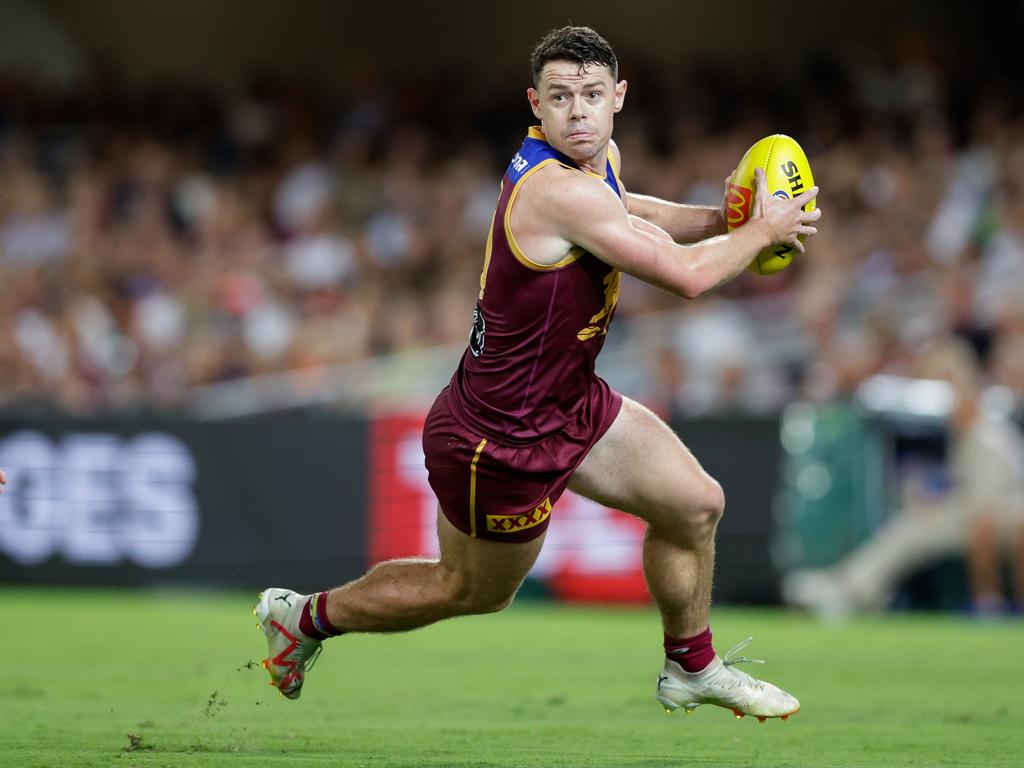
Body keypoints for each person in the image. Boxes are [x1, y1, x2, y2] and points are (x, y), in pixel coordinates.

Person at [255, 26, 819, 720]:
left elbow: (632, 211)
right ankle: (304, 619)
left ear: (618, 97)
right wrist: (761, 232)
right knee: (470, 590)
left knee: (694, 504)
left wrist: (719, 216)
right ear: (536, 104)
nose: (577, 111)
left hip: (571, 403)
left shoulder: (596, 162)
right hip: (499, 437)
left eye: (590, 95)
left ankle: (691, 666)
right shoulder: (555, 190)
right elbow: (685, 277)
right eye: (560, 98)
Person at [782, 337, 1024, 617]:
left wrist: (937, 503)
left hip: (996, 520)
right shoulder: (966, 434)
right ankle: (850, 587)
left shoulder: (988, 435)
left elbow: (986, 507)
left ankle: (851, 589)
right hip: (975, 516)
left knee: (910, 529)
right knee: (907, 525)